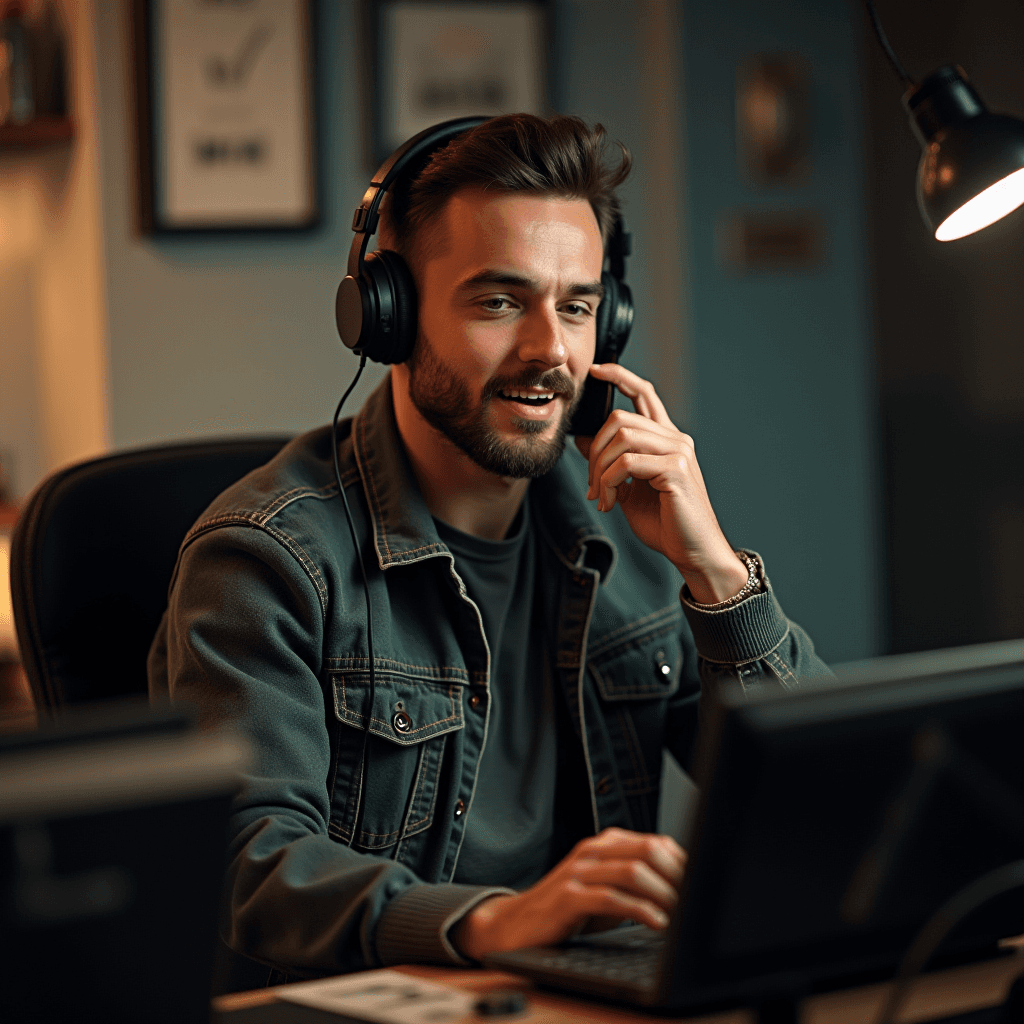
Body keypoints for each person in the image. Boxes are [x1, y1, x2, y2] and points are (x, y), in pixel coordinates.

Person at [148, 113, 831, 978]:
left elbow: (828, 810)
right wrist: (495, 921)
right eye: (500, 301)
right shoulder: (266, 560)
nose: (549, 350)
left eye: (577, 306)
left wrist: (715, 575)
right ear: (387, 317)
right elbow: (247, 865)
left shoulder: (626, 536)